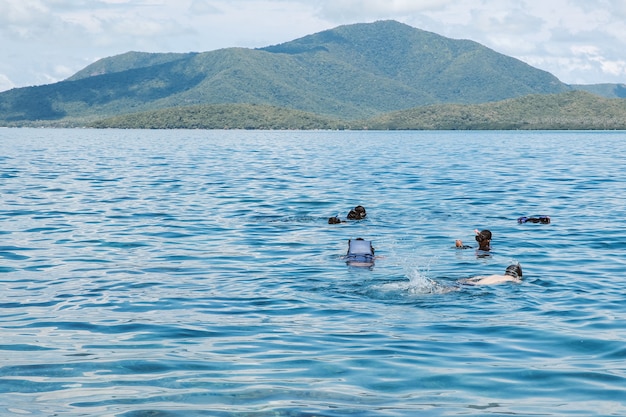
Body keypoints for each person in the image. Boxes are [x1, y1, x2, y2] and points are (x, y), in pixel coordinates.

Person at [457, 263, 522, 286]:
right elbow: (519, 282)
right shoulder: (512, 279)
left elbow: (479, 277)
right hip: (478, 286)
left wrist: (469, 279)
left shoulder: (496, 275)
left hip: (470, 283)